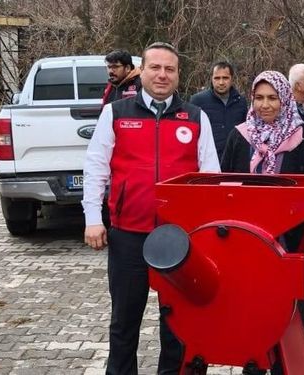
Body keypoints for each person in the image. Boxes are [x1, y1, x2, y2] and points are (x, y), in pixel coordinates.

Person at [82, 42, 220, 374]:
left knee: (178, 324)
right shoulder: (115, 113)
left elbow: (211, 176)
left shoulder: (196, 117)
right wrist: (92, 219)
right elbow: (95, 168)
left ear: (178, 74)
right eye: (155, 67)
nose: (162, 75)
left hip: (180, 238)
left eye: (169, 69)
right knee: (124, 322)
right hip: (129, 235)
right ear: (141, 70)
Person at [221, 70, 304, 375]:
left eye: (273, 98)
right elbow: (224, 191)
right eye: (259, 98)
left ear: (285, 100)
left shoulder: (302, 139)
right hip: (247, 248)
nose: (265, 105)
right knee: (251, 325)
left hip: (290, 247)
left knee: (289, 324)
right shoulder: (239, 137)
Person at [190, 61, 248, 160]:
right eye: (217, 78)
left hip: (234, 161)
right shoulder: (198, 101)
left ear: (232, 79)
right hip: (208, 160)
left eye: (225, 78)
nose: (221, 82)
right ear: (211, 79)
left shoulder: (240, 102)